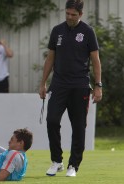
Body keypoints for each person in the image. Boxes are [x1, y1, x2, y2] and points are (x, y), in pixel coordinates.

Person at [39, 0, 102, 177]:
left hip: (80, 86)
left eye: (73, 14)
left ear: (80, 14)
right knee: (51, 121)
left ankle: (73, 165)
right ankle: (56, 161)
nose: (69, 17)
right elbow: (50, 58)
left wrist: (98, 86)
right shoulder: (57, 31)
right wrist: (43, 83)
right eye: (67, 13)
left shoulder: (88, 32)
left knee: (79, 127)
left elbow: (96, 61)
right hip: (58, 85)